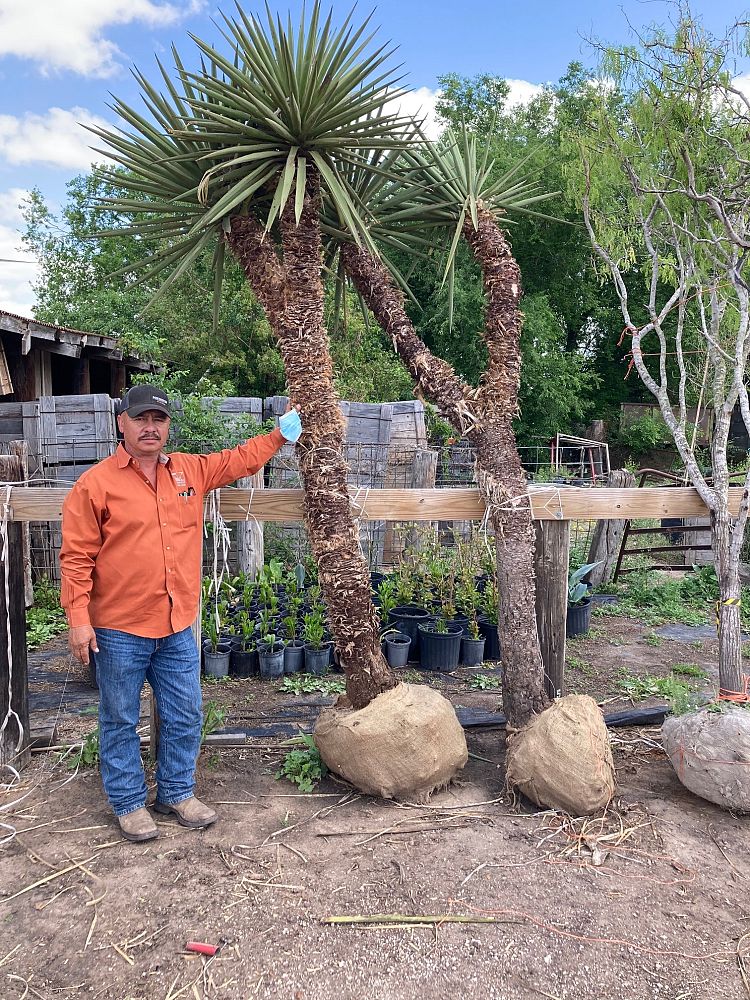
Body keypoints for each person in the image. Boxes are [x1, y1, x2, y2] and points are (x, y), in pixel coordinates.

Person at [60, 384, 302, 842]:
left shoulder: (189, 470)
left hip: (176, 624)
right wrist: (78, 619)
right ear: (122, 423)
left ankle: (176, 792)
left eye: (159, 419)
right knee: (119, 718)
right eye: (140, 419)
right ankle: (129, 803)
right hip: (118, 627)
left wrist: (280, 435)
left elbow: (238, 460)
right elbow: (75, 557)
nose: (150, 428)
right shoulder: (95, 484)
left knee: (185, 712)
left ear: (168, 425)